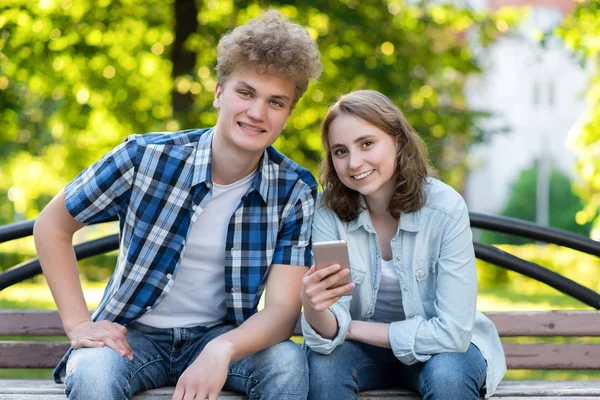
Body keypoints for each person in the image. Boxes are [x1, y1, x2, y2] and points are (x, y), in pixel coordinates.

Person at [33, 10, 322, 400]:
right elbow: (52, 226)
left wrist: (222, 349)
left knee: (287, 363)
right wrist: (78, 323)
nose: (257, 113)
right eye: (246, 92)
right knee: (94, 374)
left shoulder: (295, 189)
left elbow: (283, 310)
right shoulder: (144, 157)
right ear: (219, 93)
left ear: (288, 114)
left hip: (225, 336)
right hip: (132, 336)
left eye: (276, 102)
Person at [300, 90, 506, 399]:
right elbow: (328, 329)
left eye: (366, 143)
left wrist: (351, 328)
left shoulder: (445, 209)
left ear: (398, 141)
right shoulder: (328, 212)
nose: (355, 162)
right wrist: (314, 309)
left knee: (448, 376)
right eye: (340, 151)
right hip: (362, 353)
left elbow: (452, 334)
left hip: (442, 351)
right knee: (325, 367)